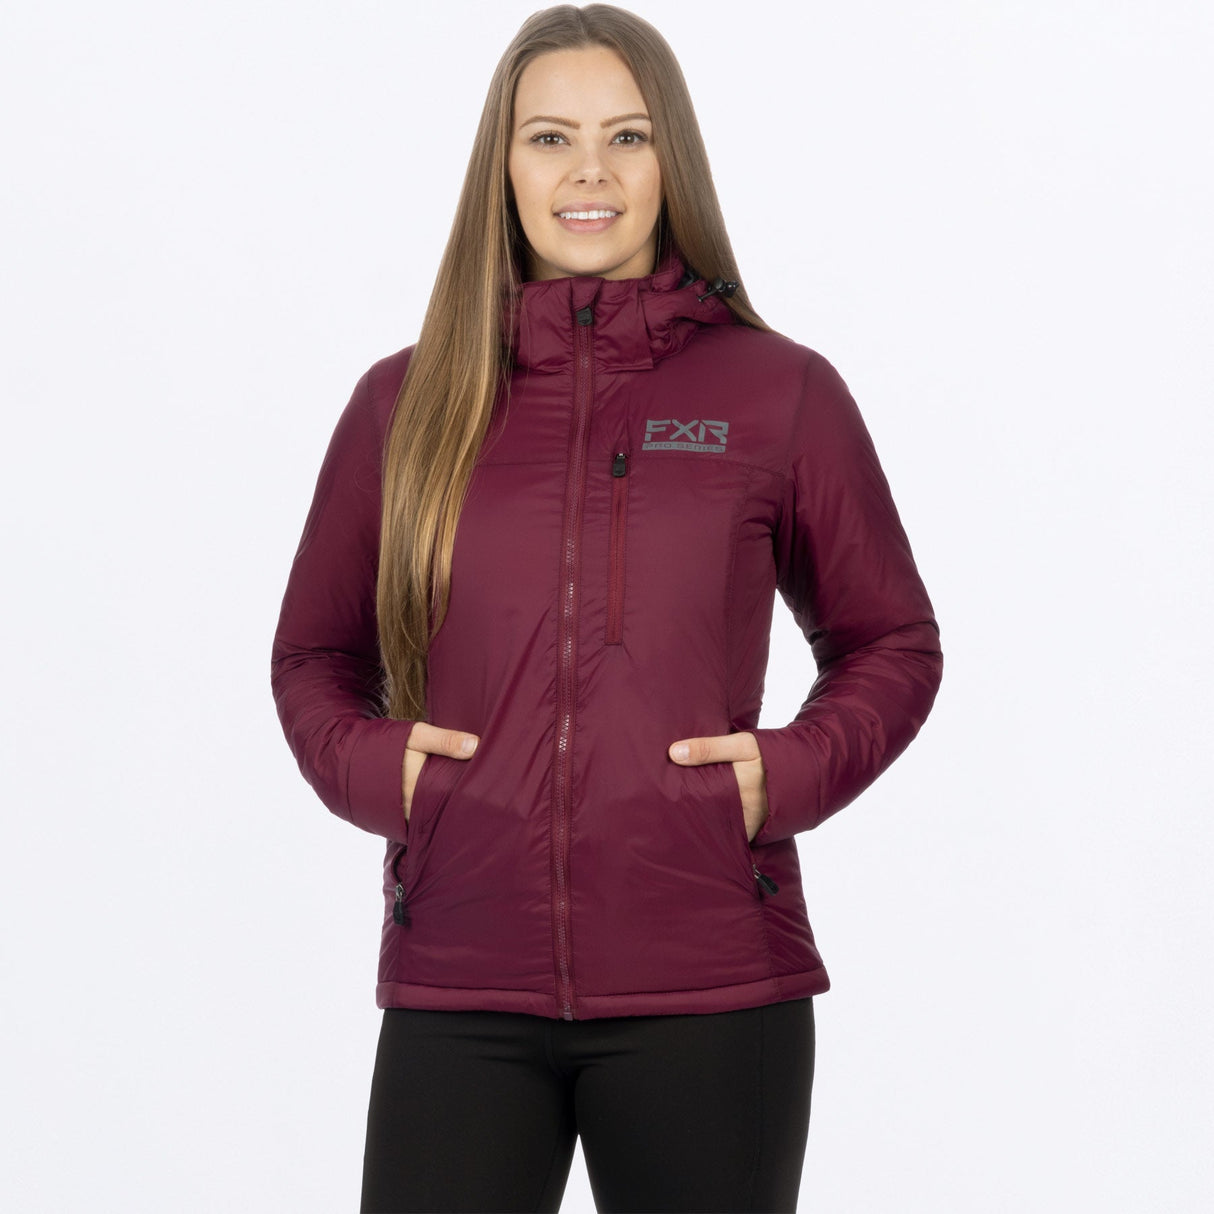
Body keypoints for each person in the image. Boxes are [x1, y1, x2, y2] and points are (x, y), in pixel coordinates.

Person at [270, 5, 943, 1211]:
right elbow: (315, 654)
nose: (588, 171)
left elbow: (889, 639)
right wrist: (387, 776)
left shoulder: (779, 393)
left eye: (625, 136)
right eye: (550, 138)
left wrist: (781, 774)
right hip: (460, 974)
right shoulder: (403, 402)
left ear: (668, 160)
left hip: (710, 982)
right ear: (503, 167)